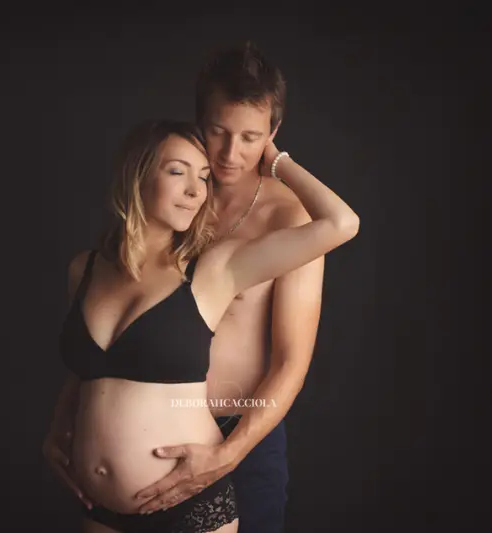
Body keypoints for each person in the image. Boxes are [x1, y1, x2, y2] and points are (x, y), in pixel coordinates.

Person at [43, 116, 359, 532]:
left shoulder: (214, 270)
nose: (196, 191)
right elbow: (92, 369)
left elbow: (341, 223)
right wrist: (57, 428)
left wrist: (277, 160)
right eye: (178, 172)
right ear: (137, 175)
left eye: (204, 177)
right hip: (97, 509)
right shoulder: (83, 270)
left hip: (188, 508)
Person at [132, 41, 329, 533]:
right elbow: (114, 309)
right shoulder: (173, 196)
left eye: (250, 137)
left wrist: (228, 453)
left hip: (239, 433)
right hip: (151, 428)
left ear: (273, 134)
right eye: (218, 131)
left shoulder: (289, 217)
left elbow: (291, 362)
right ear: (199, 121)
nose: (229, 153)